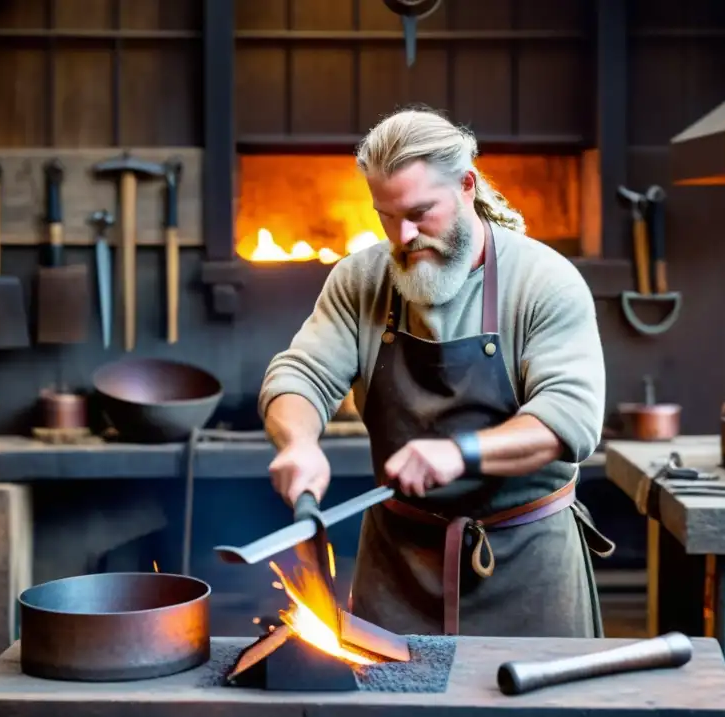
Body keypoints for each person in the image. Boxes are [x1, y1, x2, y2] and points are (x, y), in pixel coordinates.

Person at [261, 107, 614, 644]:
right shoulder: (361, 280)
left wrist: (460, 452)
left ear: (467, 185)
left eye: (421, 213)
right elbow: (300, 374)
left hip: (527, 568)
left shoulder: (544, 281)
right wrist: (298, 443)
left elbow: (569, 421)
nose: (403, 236)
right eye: (386, 216)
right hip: (399, 569)